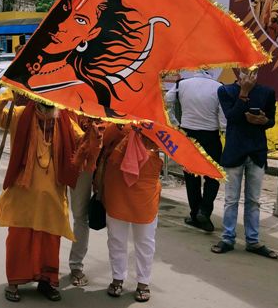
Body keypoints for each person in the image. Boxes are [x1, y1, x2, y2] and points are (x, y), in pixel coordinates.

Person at [0, 94, 84, 302]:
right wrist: (6, 93)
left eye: (52, 101)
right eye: (44, 100)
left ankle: (46, 282)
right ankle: (14, 282)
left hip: (53, 198)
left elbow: (82, 142)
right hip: (23, 196)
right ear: (35, 99)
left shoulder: (65, 120)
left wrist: (97, 135)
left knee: (49, 242)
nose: (48, 105)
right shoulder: (20, 116)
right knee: (18, 241)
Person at [212, 68, 278, 259]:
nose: (250, 74)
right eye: (245, 70)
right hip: (235, 150)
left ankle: (253, 240)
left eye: (255, 70)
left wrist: (263, 120)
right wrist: (244, 94)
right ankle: (227, 238)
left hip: (256, 151)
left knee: (254, 200)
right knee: (231, 199)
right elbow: (231, 117)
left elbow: (271, 120)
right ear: (237, 71)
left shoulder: (267, 92)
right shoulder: (225, 91)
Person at [99, 124, 162, 303]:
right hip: (117, 186)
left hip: (146, 189)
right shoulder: (115, 118)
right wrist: (120, 124)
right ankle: (117, 278)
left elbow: (170, 145)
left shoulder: (158, 120)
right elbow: (102, 141)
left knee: (145, 241)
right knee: (116, 238)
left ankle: (143, 282)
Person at [165, 70, 226, 232]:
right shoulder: (218, 87)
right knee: (213, 175)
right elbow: (223, 116)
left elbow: (167, 100)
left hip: (188, 134)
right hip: (211, 135)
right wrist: (223, 129)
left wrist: (174, 122)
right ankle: (204, 211)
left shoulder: (182, 84)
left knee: (191, 177)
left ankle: (195, 214)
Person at [68, 117, 106, 287]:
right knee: (50, 209)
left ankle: (76, 265)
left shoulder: (103, 106)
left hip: (88, 161)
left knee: (80, 216)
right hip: (60, 154)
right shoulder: (65, 105)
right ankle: (44, 265)